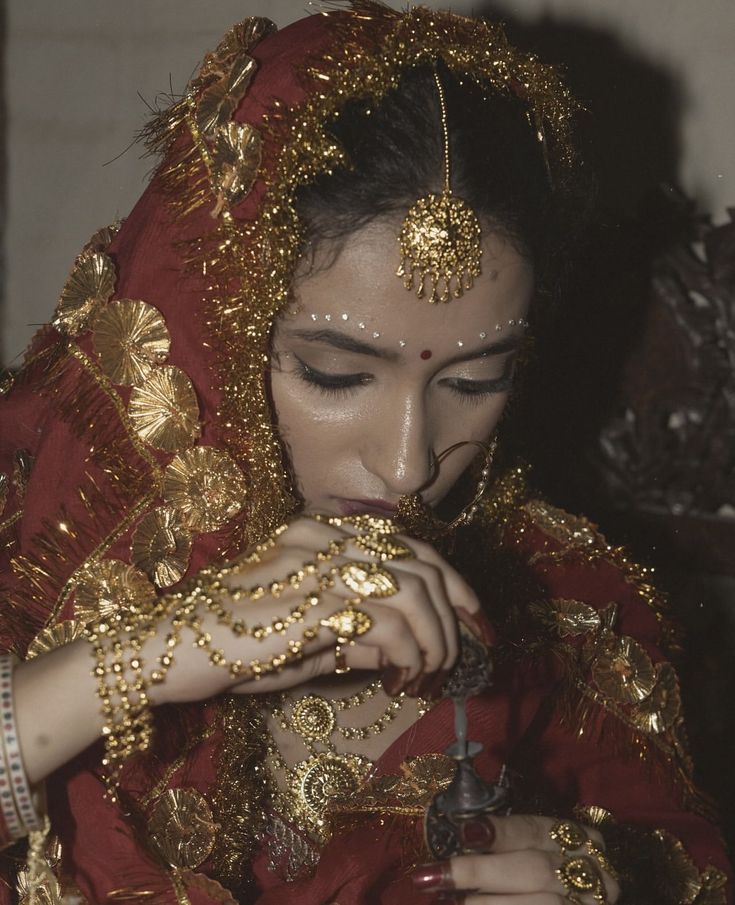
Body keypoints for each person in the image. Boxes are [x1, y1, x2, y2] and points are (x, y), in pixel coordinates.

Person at [0, 2, 730, 903]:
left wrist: (611, 886)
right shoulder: (35, 535)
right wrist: (147, 659)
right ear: (206, 329)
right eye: (335, 375)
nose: (406, 464)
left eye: (473, 382)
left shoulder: (562, 617)